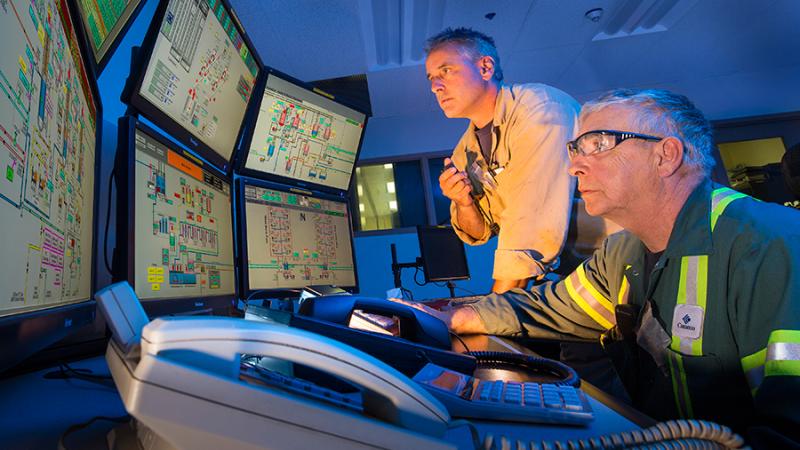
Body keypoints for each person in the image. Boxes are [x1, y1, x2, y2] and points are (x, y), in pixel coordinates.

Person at [401, 89, 800, 446]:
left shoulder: (770, 245)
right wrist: (458, 315)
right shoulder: (622, 252)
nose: (574, 167)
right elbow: (550, 308)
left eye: (598, 144)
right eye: (575, 150)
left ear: (666, 155)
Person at [426, 28, 580, 293]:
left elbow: (529, 226)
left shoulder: (540, 110)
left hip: (614, 262)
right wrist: (463, 202)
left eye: (446, 71)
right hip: (562, 279)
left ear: (485, 67)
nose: (435, 86)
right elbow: (479, 232)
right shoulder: (465, 151)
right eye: (431, 78)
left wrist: (489, 313)